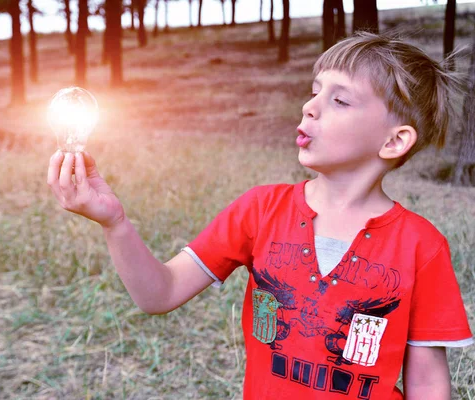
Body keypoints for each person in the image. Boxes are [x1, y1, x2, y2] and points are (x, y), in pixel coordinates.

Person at [47, 32, 473, 399]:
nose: (310, 107)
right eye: (314, 90)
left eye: (340, 100)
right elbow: (160, 294)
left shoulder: (422, 246)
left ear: (395, 141)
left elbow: (427, 381)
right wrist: (114, 223)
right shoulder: (260, 210)